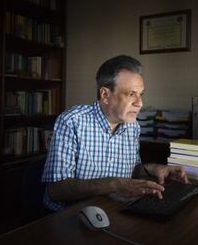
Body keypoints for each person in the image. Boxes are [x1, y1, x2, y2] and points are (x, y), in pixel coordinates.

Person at [42, 55, 188, 211]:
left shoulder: (133, 126)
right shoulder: (71, 122)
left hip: (113, 210)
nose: (140, 103)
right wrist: (114, 184)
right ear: (105, 95)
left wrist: (153, 168)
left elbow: (131, 169)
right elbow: (56, 190)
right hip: (71, 216)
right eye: (131, 94)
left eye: (141, 94)